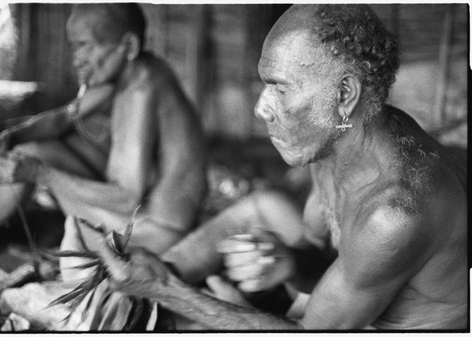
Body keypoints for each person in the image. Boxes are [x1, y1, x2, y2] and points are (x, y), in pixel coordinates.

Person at [96, 4, 467, 330]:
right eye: (264, 84)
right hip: (355, 301)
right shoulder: (339, 136)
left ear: (343, 95)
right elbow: (331, 257)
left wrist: (165, 289)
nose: (261, 108)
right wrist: (290, 262)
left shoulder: (395, 212)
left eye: (280, 88)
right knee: (262, 206)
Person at [0, 3, 207, 281]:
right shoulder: (131, 70)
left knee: (31, 158)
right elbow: (65, 117)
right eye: (75, 47)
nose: (77, 59)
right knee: (35, 147)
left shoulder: (142, 90)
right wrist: (9, 136)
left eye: (85, 46)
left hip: (155, 231)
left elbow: (125, 199)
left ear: (129, 46)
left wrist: (39, 173)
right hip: (139, 205)